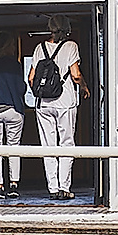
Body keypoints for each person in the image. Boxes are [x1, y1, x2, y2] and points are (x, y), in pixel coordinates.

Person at [30, 19, 87, 201]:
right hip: (65, 102)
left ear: (50, 29)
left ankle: (52, 188)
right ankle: (64, 187)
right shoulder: (71, 46)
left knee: (48, 146)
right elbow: (76, 75)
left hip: (43, 104)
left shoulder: (40, 48)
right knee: (66, 144)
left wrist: (41, 93)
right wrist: (85, 87)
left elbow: (31, 78)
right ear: (67, 29)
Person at [0, 40, 32, 195]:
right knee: (14, 147)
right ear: (8, 47)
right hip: (13, 109)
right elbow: (21, 88)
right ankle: (14, 183)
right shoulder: (15, 65)